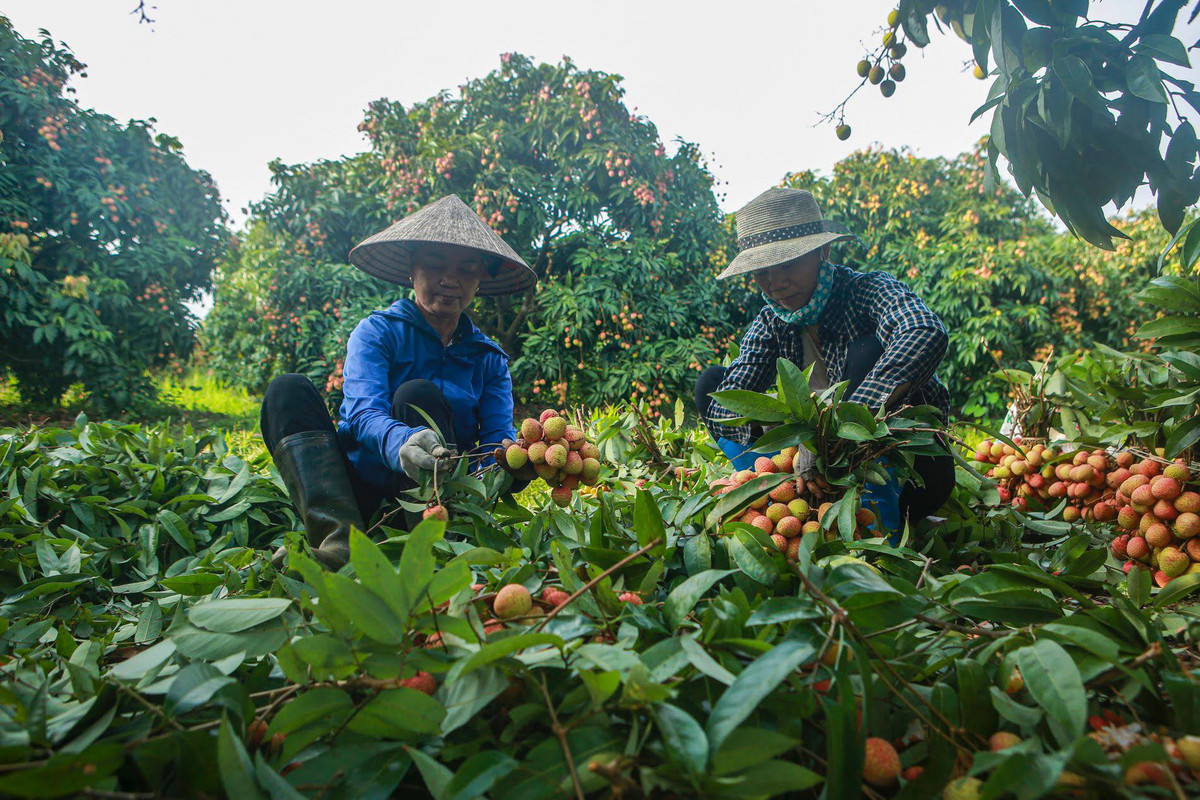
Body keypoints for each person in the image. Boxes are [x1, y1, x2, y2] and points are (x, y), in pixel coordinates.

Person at [259, 195, 537, 568]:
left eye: (466, 269)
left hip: (438, 496)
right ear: (412, 268)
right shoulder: (377, 332)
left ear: (480, 279)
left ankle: (429, 541)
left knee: (417, 395)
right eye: (435, 263)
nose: (449, 279)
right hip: (359, 484)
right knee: (286, 391)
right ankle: (339, 540)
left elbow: (493, 441)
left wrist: (516, 461)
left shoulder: (488, 358)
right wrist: (401, 441)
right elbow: (362, 412)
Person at [694, 187, 955, 530]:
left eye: (787, 265)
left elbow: (924, 331)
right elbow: (733, 396)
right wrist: (797, 438)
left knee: (867, 353)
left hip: (906, 469)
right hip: (806, 469)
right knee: (713, 386)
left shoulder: (868, 291)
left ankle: (878, 521)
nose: (776, 284)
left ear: (823, 251)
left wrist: (831, 431)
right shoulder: (772, 321)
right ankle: (783, 491)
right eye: (762, 273)